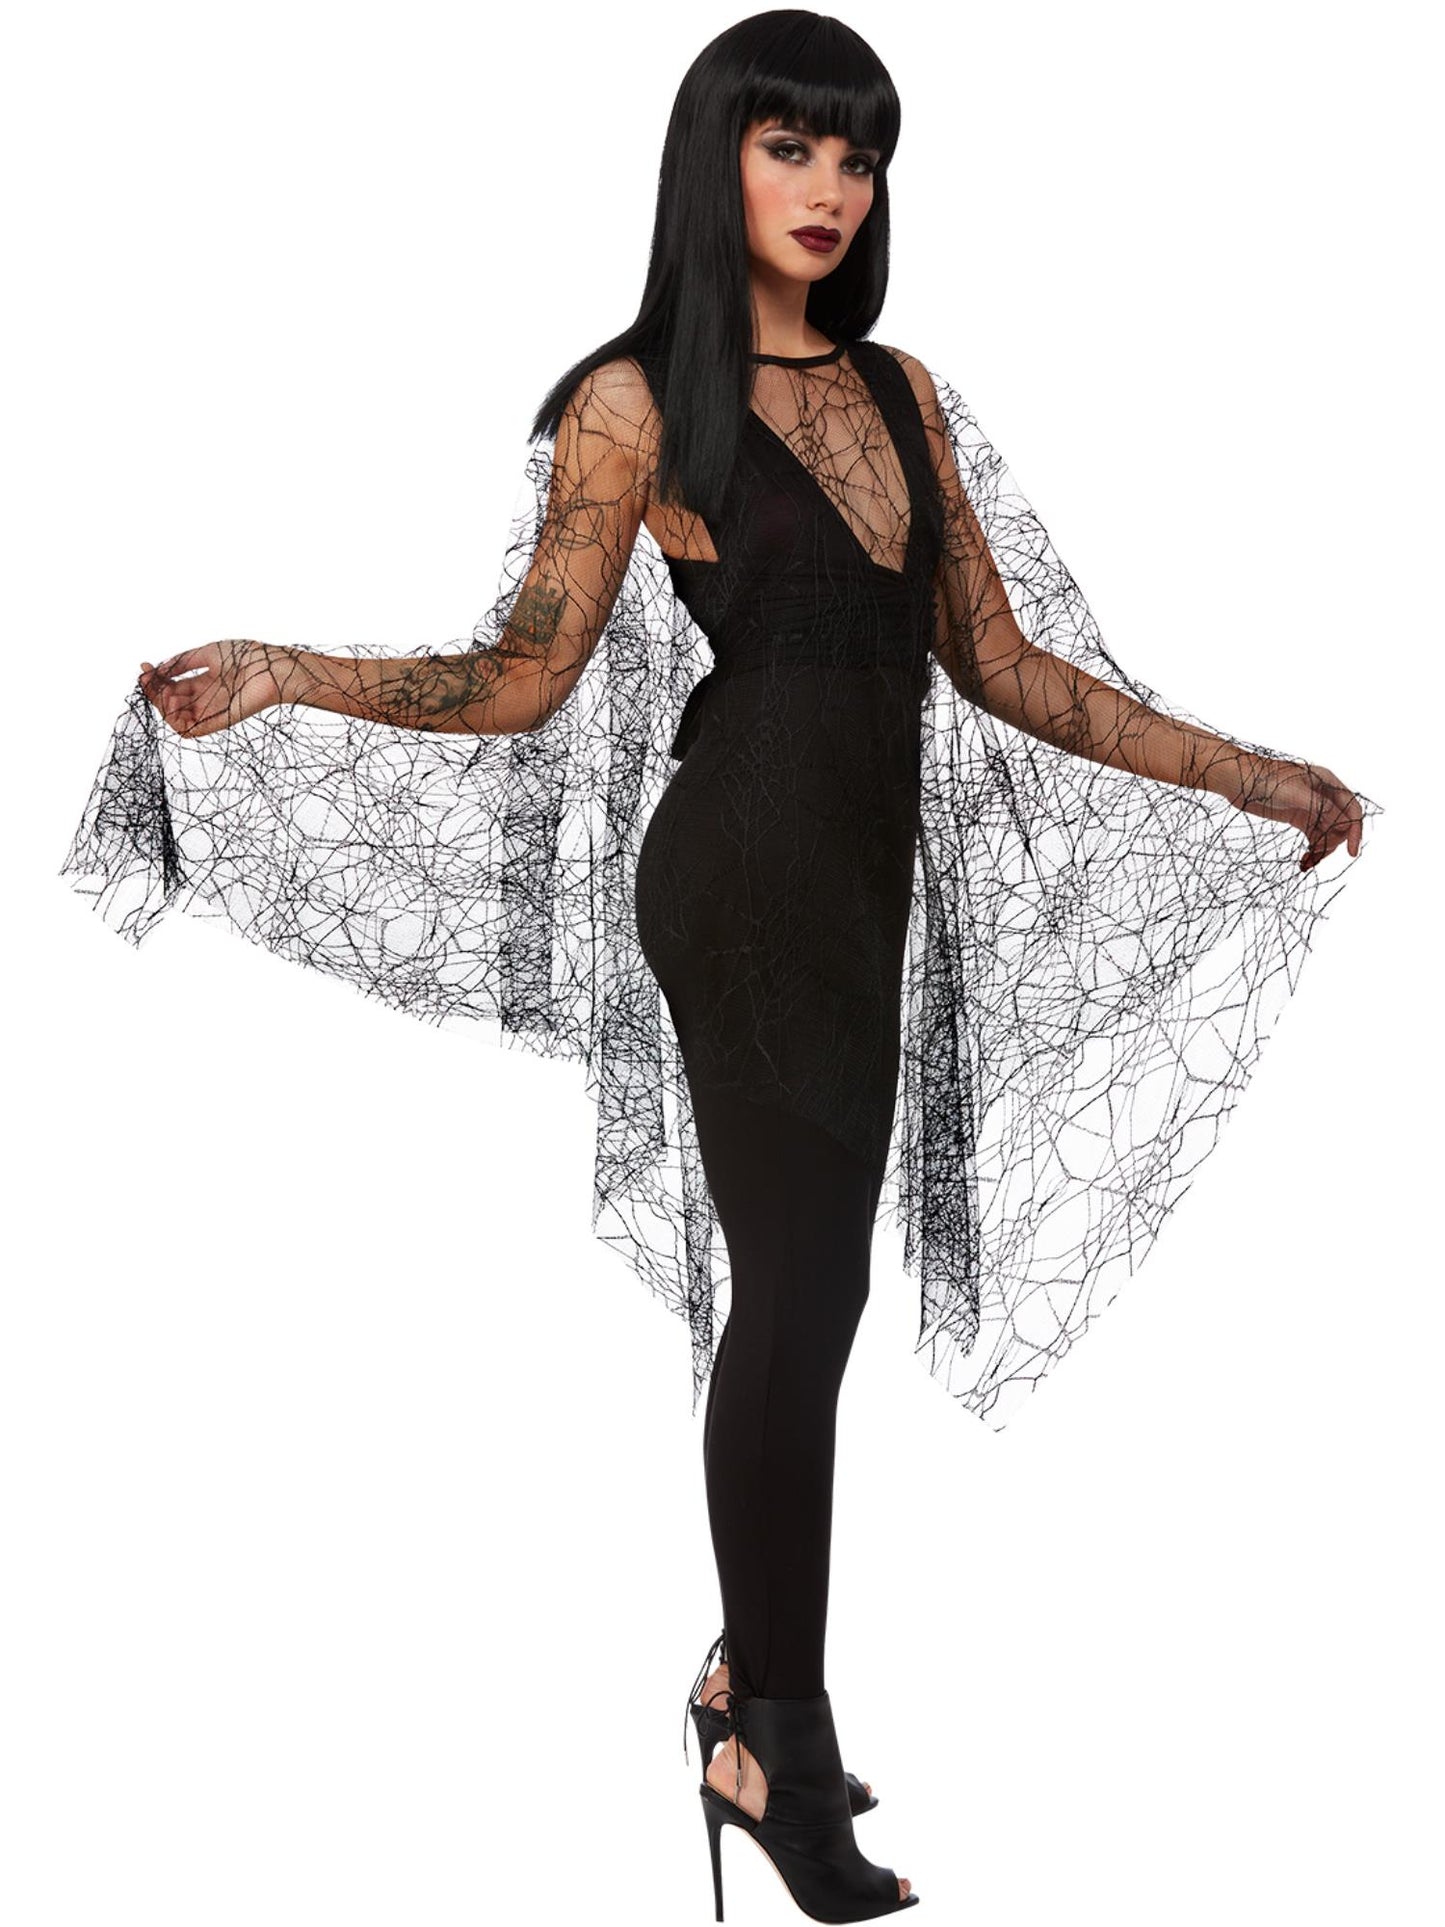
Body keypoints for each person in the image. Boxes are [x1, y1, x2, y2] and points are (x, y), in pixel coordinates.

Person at [63, 12, 1377, 1921]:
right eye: (790, 147)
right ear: (716, 164)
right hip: (742, 871)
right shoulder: (634, 400)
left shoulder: (904, 392)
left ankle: (744, 1688)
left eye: (857, 154)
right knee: (802, 1293)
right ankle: (772, 1738)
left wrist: (1257, 775)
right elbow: (521, 674)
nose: (830, 188)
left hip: (857, 877)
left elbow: (1003, 667)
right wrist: (285, 668)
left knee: (813, 1300)